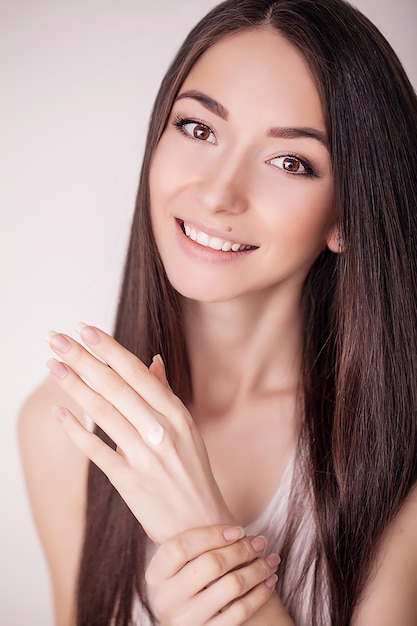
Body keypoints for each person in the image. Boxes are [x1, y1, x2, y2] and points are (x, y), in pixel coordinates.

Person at [18, 0, 417, 624]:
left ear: (346, 215)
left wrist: (210, 550)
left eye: (290, 162)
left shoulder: (398, 448)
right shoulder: (62, 429)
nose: (217, 192)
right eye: (198, 128)